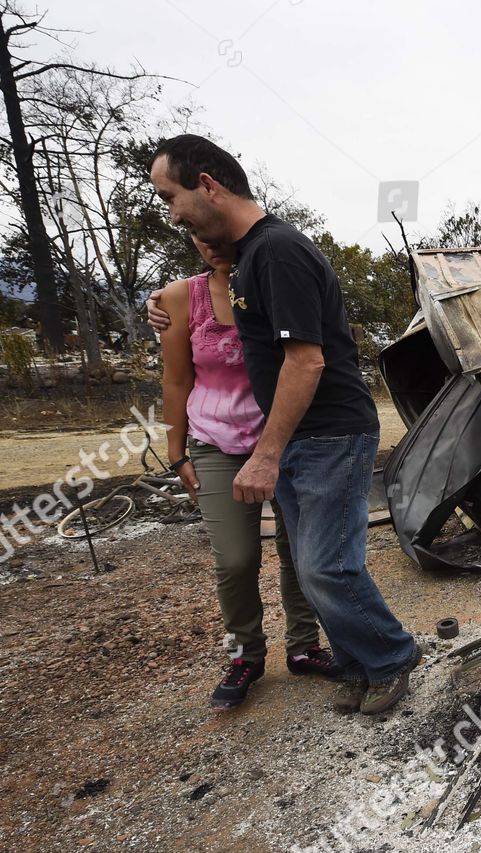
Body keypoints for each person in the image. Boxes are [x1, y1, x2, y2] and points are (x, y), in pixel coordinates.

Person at [148, 134, 419, 715]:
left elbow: (307, 360)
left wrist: (265, 453)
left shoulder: (276, 252)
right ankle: (357, 661)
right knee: (312, 566)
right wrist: (164, 303)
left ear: (209, 186)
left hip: (330, 433)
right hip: (298, 437)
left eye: (171, 196)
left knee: (326, 567)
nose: (172, 215)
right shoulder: (247, 257)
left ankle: (393, 657)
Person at [159, 234, 341, 710]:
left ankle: (304, 646)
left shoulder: (273, 285)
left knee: (298, 552)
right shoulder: (181, 298)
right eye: (198, 235)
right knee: (236, 559)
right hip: (215, 443)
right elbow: (177, 378)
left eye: (217, 235)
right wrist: (177, 452)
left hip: (283, 439)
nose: (210, 244)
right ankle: (245, 655)